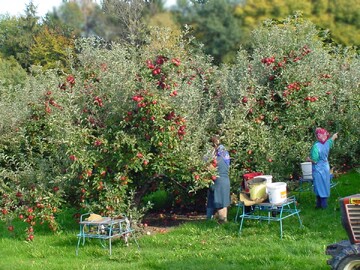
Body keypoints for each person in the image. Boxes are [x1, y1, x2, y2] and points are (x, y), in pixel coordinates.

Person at [306, 128, 338, 209]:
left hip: (318, 168)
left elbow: (315, 161)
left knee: (318, 186)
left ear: (317, 136)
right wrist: (334, 136)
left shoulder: (316, 146)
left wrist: (308, 159)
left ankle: (321, 205)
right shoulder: (327, 143)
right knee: (325, 184)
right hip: (325, 167)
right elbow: (331, 140)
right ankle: (323, 205)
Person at [206, 136, 231, 222]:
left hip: (218, 182)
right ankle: (222, 223)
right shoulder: (225, 153)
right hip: (225, 181)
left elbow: (211, 168)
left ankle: (222, 223)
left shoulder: (215, 157)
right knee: (222, 203)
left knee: (220, 204)